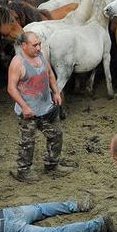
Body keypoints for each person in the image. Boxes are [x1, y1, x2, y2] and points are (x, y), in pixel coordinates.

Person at [7, 31, 74, 182]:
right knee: (27, 142)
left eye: (39, 44)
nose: (38, 48)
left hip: (46, 107)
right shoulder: (18, 63)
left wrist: (56, 92)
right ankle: (23, 171)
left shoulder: (41, 56)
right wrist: (24, 107)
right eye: (34, 45)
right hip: (28, 111)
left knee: (56, 135)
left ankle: (52, 164)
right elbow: (11, 88)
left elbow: (50, 74)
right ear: (24, 46)